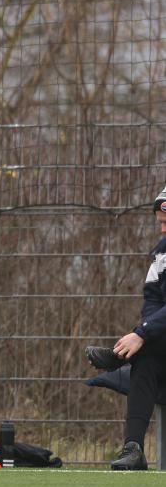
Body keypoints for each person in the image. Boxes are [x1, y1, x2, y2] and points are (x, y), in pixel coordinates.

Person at [86, 184, 166, 470]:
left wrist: (142, 334)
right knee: (145, 360)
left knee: (142, 348)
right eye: (160, 223)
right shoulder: (161, 255)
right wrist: (143, 334)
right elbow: (152, 301)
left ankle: (121, 355)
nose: (162, 230)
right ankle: (133, 449)